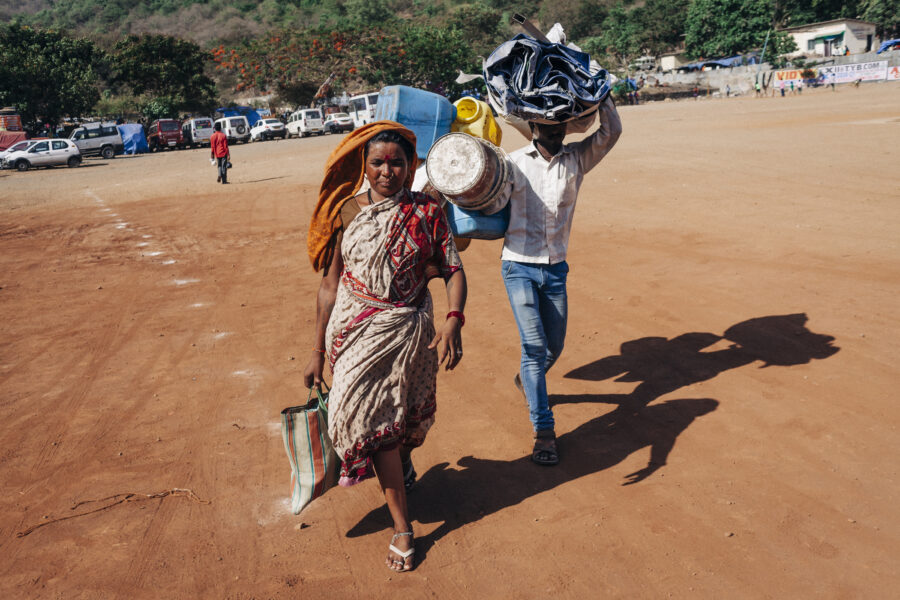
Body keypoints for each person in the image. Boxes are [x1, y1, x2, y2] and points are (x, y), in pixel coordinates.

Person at [303, 121, 466, 572]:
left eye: (398, 163)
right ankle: (404, 526)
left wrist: (454, 320)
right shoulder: (349, 213)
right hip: (353, 332)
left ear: (412, 166)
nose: (388, 171)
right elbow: (330, 284)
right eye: (378, 162)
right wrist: (316, 350)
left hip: (409, 331)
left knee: (398, 425)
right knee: (359, 420)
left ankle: (401, 476)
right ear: (365, 166)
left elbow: (453, 268)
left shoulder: (428, 211)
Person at [484, 97, 622, 466]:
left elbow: (612, 132)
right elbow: (489, 203)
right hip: (518, 267)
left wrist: (601, 94)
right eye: (550, 121)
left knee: (552, 348)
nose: (558, 127)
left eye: (563, 121)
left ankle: (527, 381)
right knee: (533, 347)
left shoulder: (577, 159)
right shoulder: (512, 164)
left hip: (556, 269)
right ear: (533, 125)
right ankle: (544, 431)